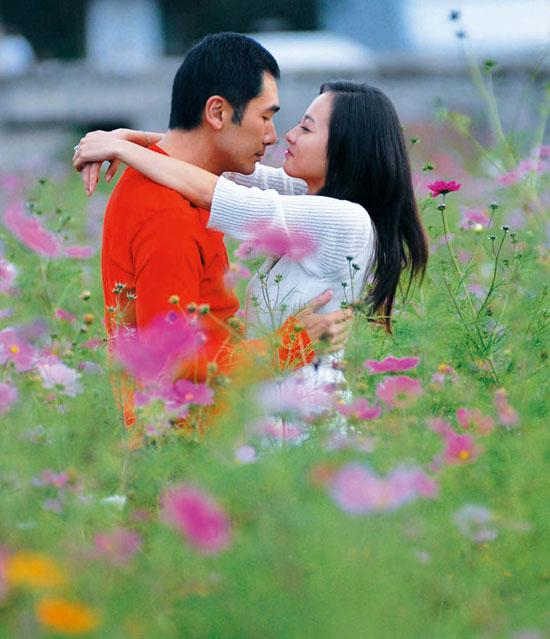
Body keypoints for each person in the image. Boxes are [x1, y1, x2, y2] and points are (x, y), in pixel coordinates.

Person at [74, 70, 429, 395]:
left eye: (306, 129)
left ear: (345, 149)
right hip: (276, 403)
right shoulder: (313, 198)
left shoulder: (344, 219)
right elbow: (224, 163)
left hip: (308, 411)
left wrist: (121, 149)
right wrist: (136, 140)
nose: (288, 135)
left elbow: (220, 193)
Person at [74, 33, 353, 428]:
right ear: (218, 112)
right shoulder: (165, 211)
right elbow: (170, 365)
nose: (273, 135)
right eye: (265, 117)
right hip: (181, 442)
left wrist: (130, 142)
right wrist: (288, 346)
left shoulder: (176, 183)